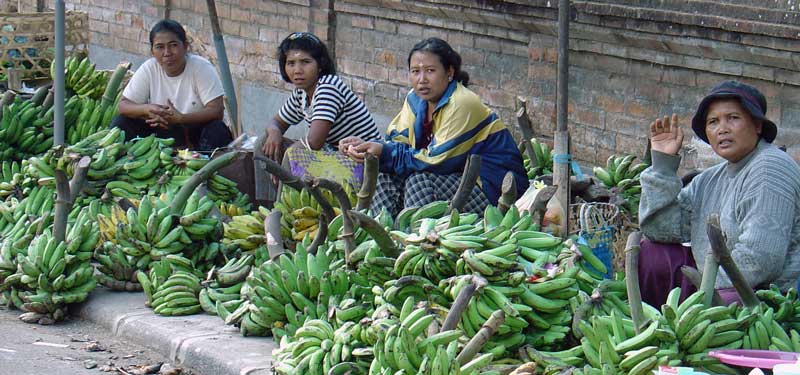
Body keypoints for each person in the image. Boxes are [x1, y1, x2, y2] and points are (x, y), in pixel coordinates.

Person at [638, 80, 800, 307]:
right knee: (651, 254)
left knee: (727, 299)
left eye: (733, 118)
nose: (722, 128)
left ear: (757, 126)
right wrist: (663, 166)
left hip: (764, 294)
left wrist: (699, 290)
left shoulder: (770, 167)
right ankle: (657, 328)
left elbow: (760, 262)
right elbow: (660, 229)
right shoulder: (711, 178)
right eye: (713, 122)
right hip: (713, 281)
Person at [340, 37, 529, 216]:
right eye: (415, 71)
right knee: (384, 176)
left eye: (430, 71)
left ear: (450, 72)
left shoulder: (462, 103)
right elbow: (396, 142)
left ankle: (415, 243)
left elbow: (435, 161)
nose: (422, 79)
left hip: (494, 190)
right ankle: (384, 234)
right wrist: (367, 146)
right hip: (453, 179)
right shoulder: (415, 100)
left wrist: (385, 152)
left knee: (419, 182)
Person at [260, 31, 381, 162]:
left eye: (305, 62)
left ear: (320, 64)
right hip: (334, 154)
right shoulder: (301, 93)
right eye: (291, 63)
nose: (297, 70)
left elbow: (314, 142)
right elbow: (275, 123)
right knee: (264, 144)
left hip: (361, 158)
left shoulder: (328, 87)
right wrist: (274, 133)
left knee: (292, 156)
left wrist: (286, 157)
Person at [113, 19, 232, 151]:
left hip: (195, 129)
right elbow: (123, 105)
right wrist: (147, 109)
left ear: (185, 46)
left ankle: (209, 167)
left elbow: (217, 110)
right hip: (161, 129)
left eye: (173, 45)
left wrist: (181, 118)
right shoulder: (149, 68)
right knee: (122, 123)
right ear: (152, 51)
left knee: (217, 130)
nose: (167, 53)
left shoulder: (201, 67)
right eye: (160, 47)